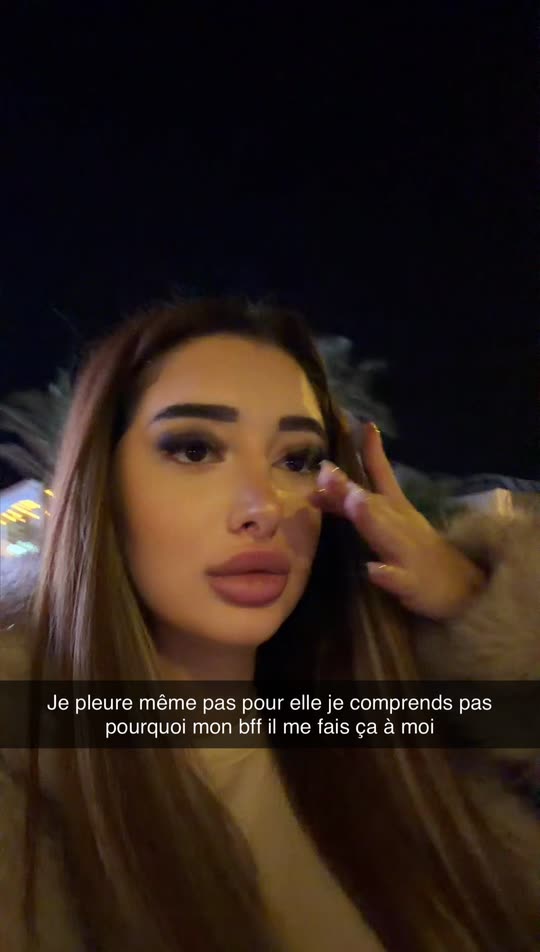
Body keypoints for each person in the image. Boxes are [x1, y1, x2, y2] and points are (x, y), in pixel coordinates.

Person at [0, 297, 538, 952]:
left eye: (298, 459)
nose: (264, 507)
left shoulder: (404, 731)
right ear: (101, 490)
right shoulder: (24, 792)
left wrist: (471, 604)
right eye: (195, 449)